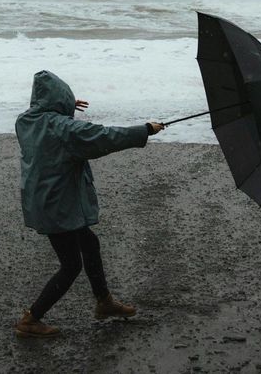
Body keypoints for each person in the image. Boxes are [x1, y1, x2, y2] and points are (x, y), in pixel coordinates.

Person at [14, 70, 164, 338]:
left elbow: (51, 121)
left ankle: (104, 302)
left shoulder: (26, 121)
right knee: (71, 265)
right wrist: (145, 130)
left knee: (89, 243)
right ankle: (31, 318)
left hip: (44, 199)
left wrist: (65, 106)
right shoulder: (63, 129)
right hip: (57, 206)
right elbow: (103, 136)